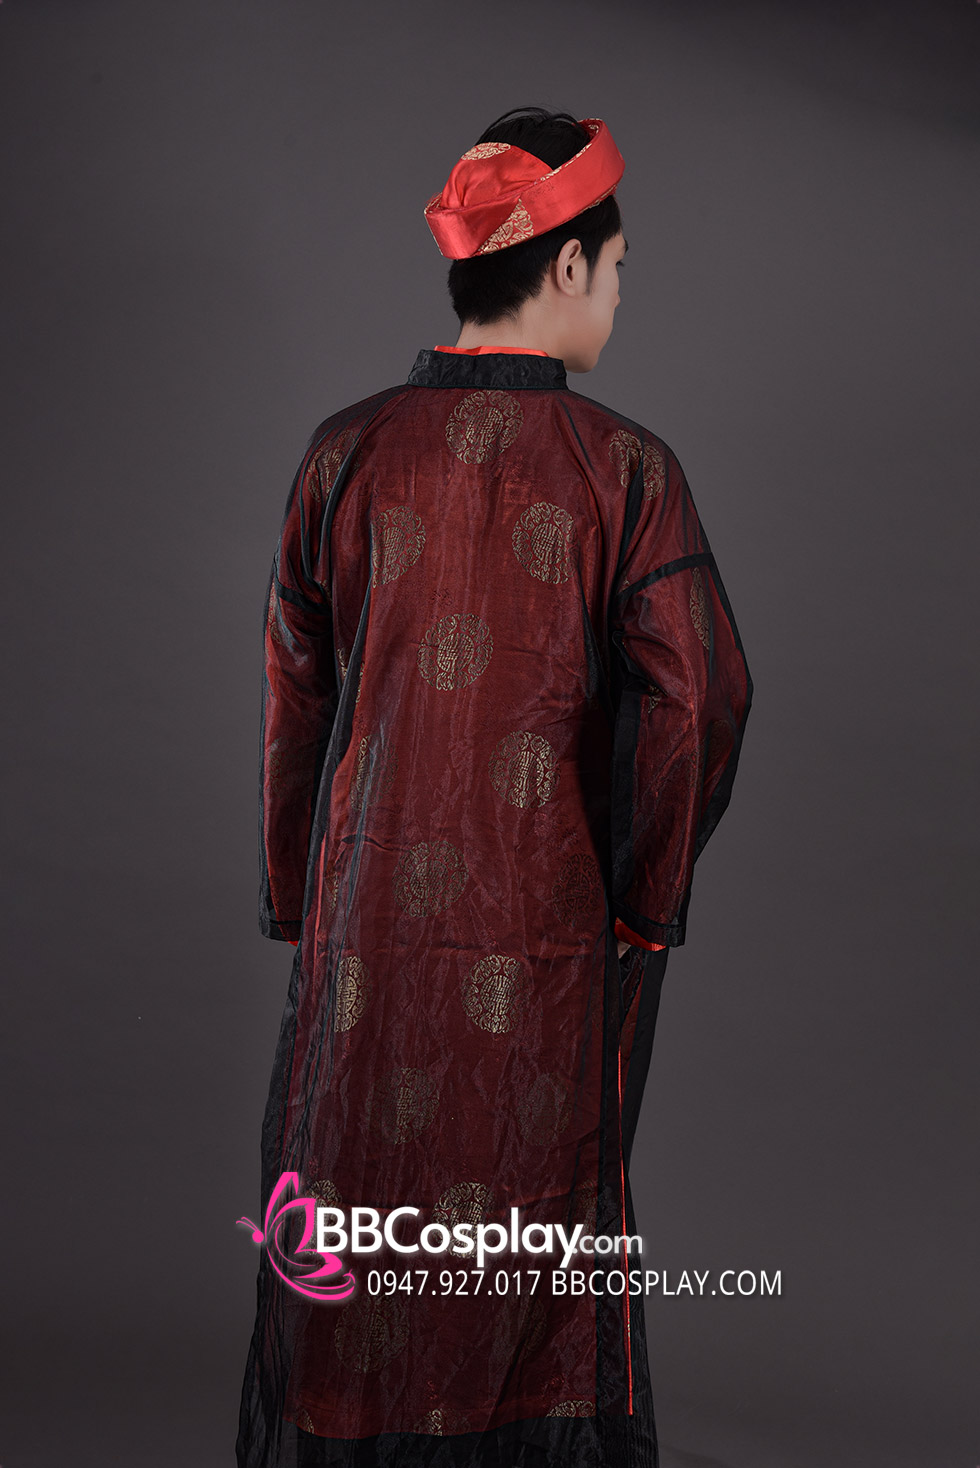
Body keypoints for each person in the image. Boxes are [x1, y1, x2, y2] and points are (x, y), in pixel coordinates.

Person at [236, 106, 753, 1468]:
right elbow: (701, 696)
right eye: (618, 269)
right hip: (548, 937)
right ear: (566, 264)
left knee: (354, 1228)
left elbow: (296, 690)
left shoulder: (344, 452)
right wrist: (640, 902)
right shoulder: (626, 472)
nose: (621, 298)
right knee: (533, 1242)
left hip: (363, 939)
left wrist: (301, 895)